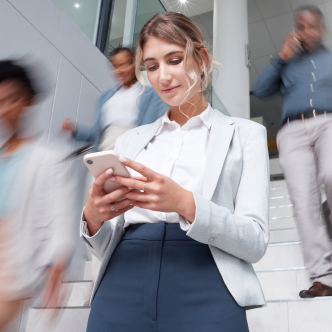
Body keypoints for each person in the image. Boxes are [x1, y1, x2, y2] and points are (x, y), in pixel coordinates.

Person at [81, 12, 269, 332]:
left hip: (207, 280)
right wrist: (94, 218)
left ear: (202, 57)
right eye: (152, 66)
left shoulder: (245, 134)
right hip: (122, 278)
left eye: (175, 59)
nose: (163, 76)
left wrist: (185, 203)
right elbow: (104, 245)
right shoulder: (129, 141)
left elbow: (255, 241)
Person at [254, 5, 332, 298]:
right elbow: (260, 91)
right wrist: (280, 58)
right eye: (302, 26)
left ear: (322, 28)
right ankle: (323, 277)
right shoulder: (285, 61)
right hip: (292, 131)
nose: (307, 32)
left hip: (328, 122)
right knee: (303, 201)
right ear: (296, 30)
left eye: (313, 26)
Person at [0, 60, 75, 329]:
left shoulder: (50, 158)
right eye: (0, 102)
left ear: (29, 101)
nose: (6, 108)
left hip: (15, 262)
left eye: (13, 99)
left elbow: (61, 215)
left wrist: (57, 265)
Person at [62, 47, 166, 151]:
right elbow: (96, 135)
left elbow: (151, 130)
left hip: (130, 152)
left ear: (134, 65)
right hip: (104, 152)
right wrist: (75, 131)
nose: (119, 70)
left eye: (124, 65)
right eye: (115, 66)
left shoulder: (149, 94)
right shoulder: (105, 98)